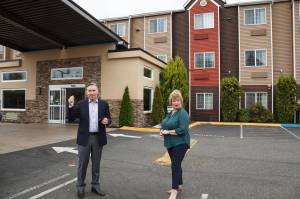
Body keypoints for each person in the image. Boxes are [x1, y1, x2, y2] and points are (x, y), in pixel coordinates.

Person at [68, 83, 111, 198]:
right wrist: (71, 105)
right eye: (89, 91)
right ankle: (80, 187)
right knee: (82, 165)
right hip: (84, 138)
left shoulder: (104, 104)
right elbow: (71, 119)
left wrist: (107, 121)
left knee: (96, 164)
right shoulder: (81, 104)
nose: (91, 93)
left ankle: (95, 186)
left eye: (93, 90)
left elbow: (109, 118)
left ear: (98, 92)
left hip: (98, 138)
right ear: (86, 93)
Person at [160, 90, 190, 199]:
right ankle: (179, 185)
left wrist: (168, 132)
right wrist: (162, 130)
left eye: (177, 100)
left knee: (175, 165)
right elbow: (165, 124)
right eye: (173, 100)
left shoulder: (183, 113)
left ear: (181, 101)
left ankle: (174, 190)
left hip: (181, 143)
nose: (175, 102)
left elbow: (182, 129)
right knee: (176, 164)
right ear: (171, 102)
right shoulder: (171, 112)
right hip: (171, 143)